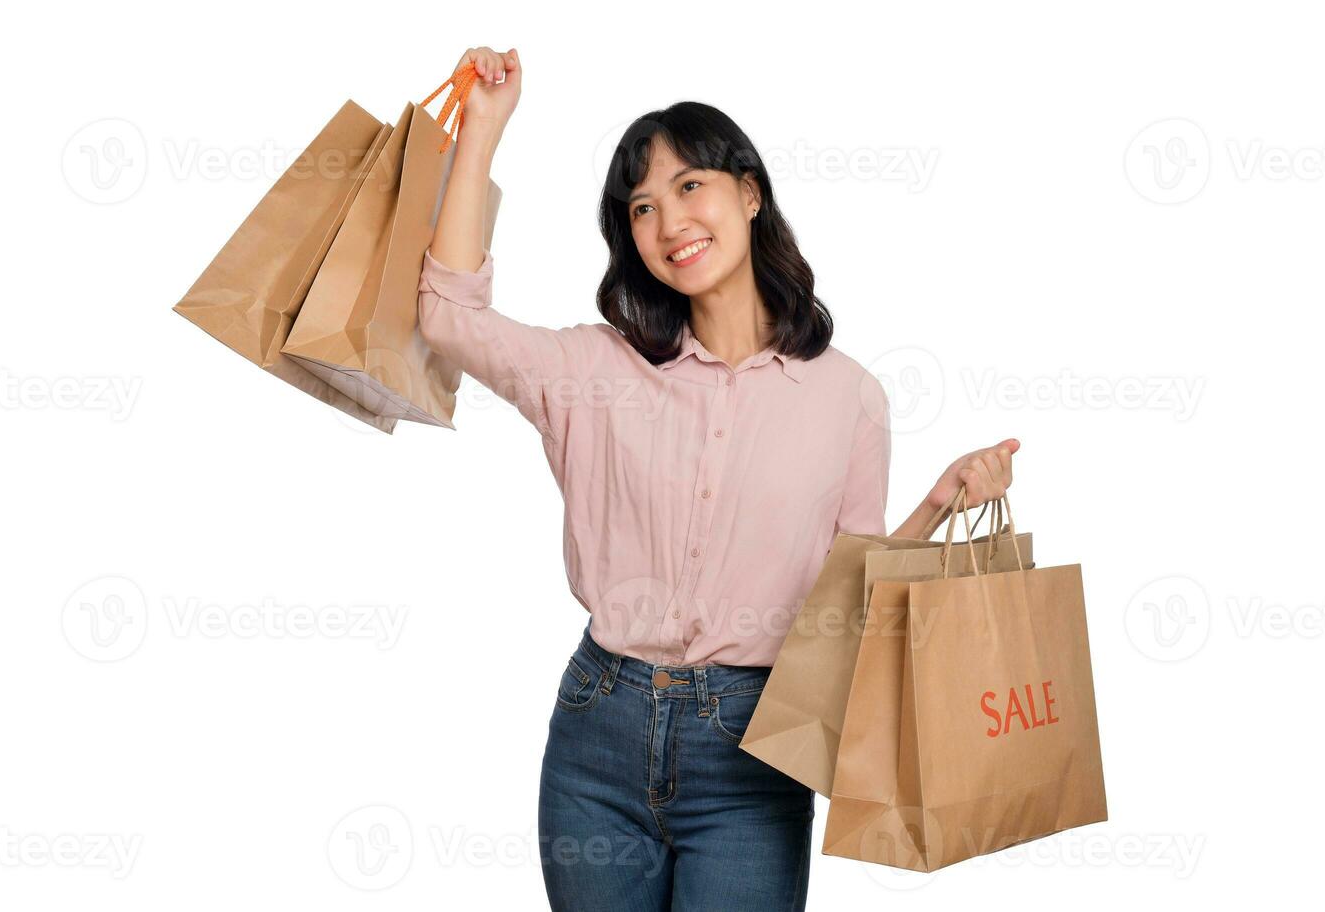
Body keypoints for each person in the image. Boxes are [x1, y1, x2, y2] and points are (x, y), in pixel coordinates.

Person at [417, 45, 1017, 912]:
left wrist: (939, 499)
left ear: (749, 192)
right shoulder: (590, 369)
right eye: (642, 207)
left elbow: (855, 597)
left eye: (689, 187)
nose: (668, 223)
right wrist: (483, 128)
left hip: (754, 746)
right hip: (598, 733)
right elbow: (446, 315)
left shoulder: (848, 396)